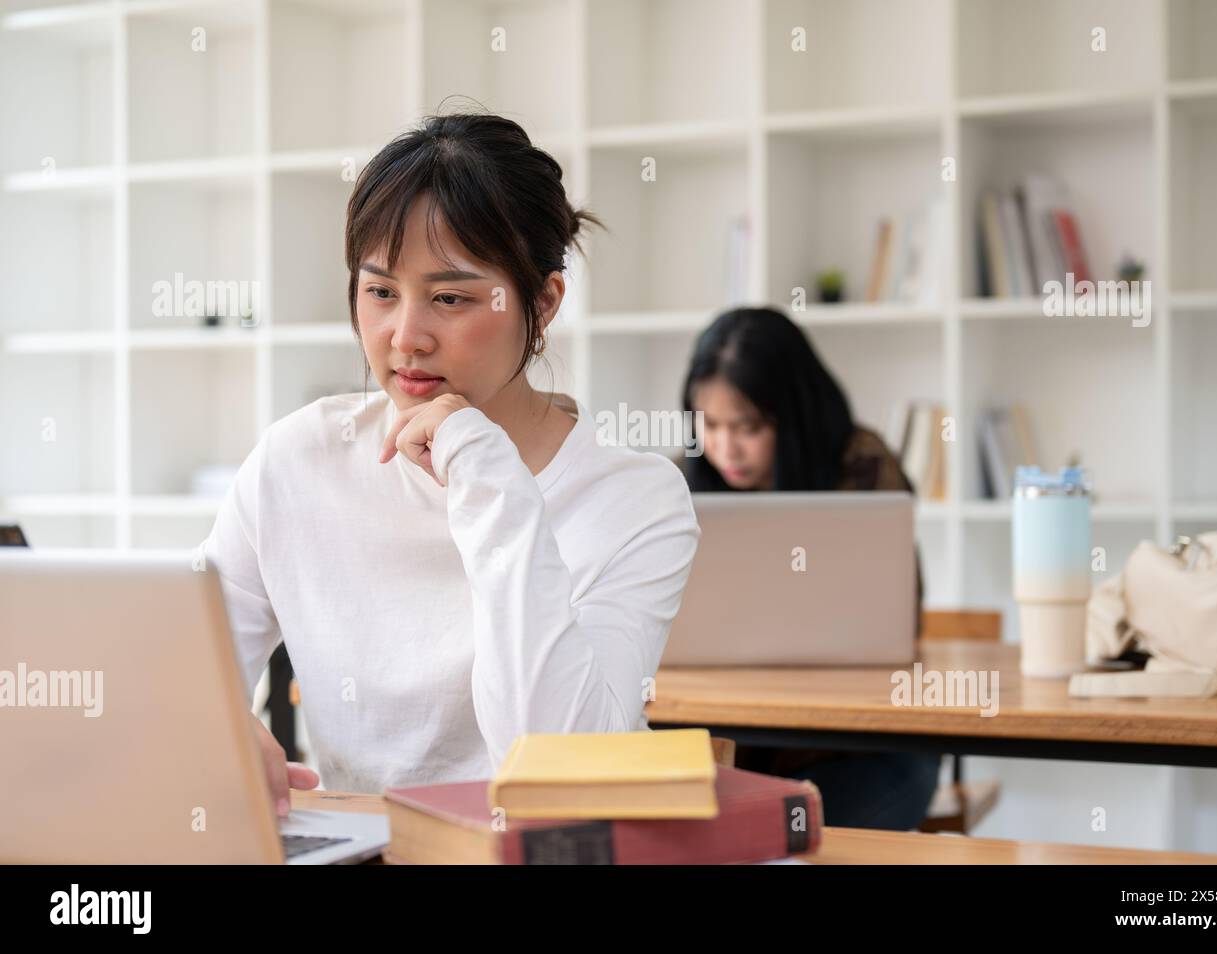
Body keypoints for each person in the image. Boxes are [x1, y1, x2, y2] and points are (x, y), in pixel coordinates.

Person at [201, 112, 700, 817]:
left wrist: (487, 474)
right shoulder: (298, 459)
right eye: (379, 292)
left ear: (544, 301)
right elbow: (180, 671)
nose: (406, 337)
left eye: (450, 298)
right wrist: (215, 730)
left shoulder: (635, 499)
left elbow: (562, 770)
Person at [679, 306, 939, 831]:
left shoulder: (861, 466)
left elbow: (896, 620)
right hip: (728, 740)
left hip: (854, 744)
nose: (725, 448)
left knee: (782, 830)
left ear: (792, 415)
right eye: (710, 424)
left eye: (748, 426)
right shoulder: (679, 484)